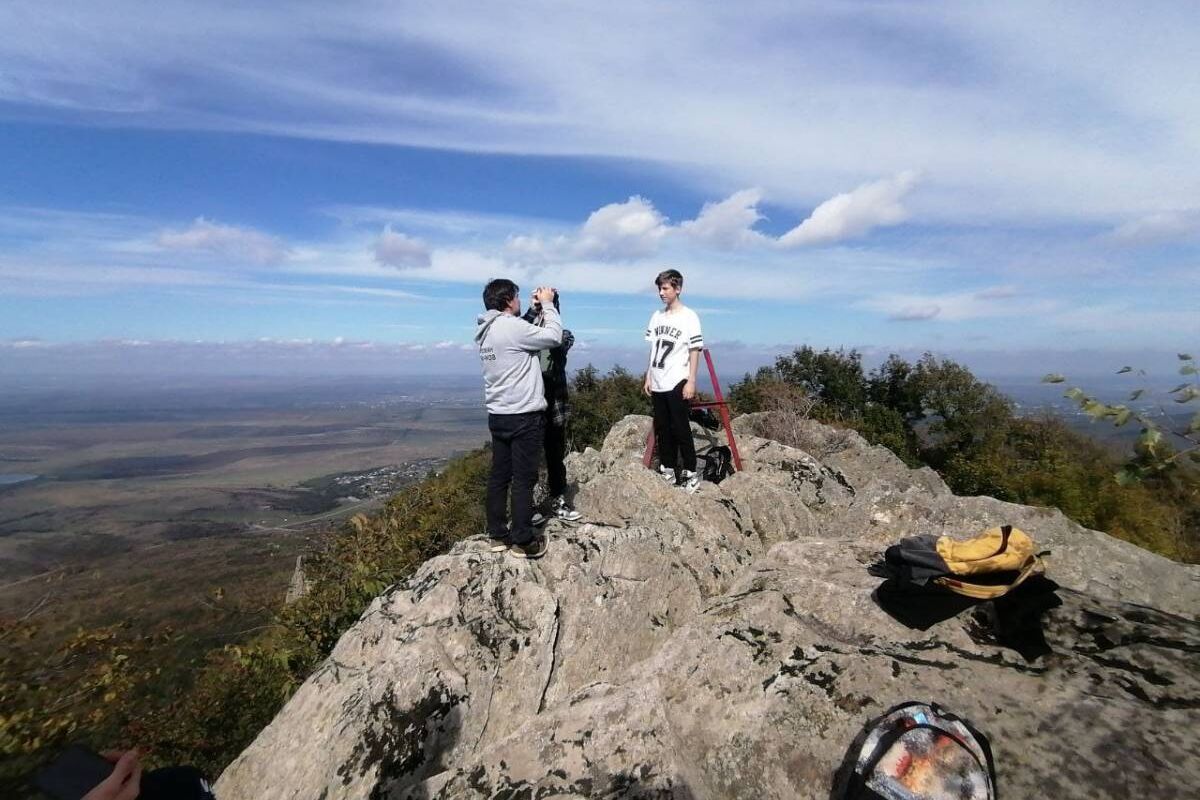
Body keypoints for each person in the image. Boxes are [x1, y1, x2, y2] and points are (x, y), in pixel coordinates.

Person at [476, 279, 562, 559]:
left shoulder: (486, 330)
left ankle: (497, 533)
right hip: (523, 414)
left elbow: (520, 336)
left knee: (499, 476)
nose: (520, 300)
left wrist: (536, 309)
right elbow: (553, 336)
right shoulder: (510, 327)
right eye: (517, 296)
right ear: (508, 300)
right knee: (524, 479)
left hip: (498, 414)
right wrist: (548, 304)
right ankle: (523, 540)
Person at [522, 288, 582, 523]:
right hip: (530, 405)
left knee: (555, 457)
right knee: (530, 458)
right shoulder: (525, 333)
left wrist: (548, 308)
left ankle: (558, 500)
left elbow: (556, 340)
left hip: (554, 405)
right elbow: (516, 328)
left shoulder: (564, 335)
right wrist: (533, 308)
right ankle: (530, 507)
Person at [643, 268, 704, 492]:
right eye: (659, 288)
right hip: (658, 379)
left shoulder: (689, 316)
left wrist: (691, 380)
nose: (661, 292)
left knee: (680, 427)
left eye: (666, 288)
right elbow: (653, 349)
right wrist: (648, 375)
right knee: (663, 427)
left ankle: (690, 471)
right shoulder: (657, 316)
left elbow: (695, 349)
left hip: (678, 378)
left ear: (677, 289)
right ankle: (667, 469)